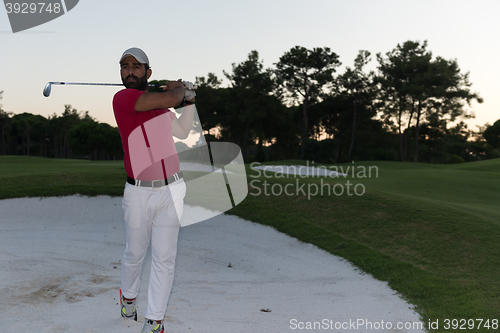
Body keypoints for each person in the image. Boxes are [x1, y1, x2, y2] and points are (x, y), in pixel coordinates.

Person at [112, 47, 195, 333]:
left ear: (148, 73)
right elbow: (171, 97)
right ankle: (129, 298)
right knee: (135, 254)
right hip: (138, 193)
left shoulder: (159, 107)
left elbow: (184, 131)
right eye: (124, 67)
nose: (129, 71)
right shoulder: (124, 98)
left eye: (136, 67)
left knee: (164, 258)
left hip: (172, 189)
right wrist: (180, 90)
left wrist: (190, 99)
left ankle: (154, 321)